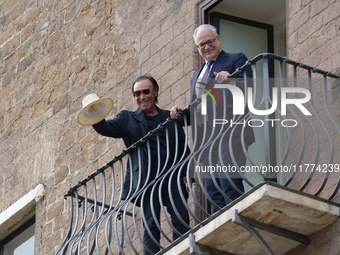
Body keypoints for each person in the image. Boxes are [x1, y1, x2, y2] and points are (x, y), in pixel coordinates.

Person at [92, 75, 190, 254]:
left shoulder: (169, 117)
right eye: (137, 94)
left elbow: (182, 147)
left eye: (146, 92)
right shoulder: (126, 118)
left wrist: (186, 174)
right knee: (151, 225)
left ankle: (181, 250)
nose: (142, 97)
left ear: (155, 92)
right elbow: (107, 128)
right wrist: (94, 115)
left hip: (172, 176)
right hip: (146, 180)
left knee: (180, 217)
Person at [171, 24, 255, 212]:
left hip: (230, 132)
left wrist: (232, 80)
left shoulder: (235, 59)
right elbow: (198, 111)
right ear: (197, 48)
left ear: (218, 39)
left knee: (229, 183)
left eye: (210, 41)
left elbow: (249, 88)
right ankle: (225, 235)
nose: (207, 47)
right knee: (213, 191)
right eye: (202, 45)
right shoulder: (196, 77)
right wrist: (180, 114)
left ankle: (239, 225)